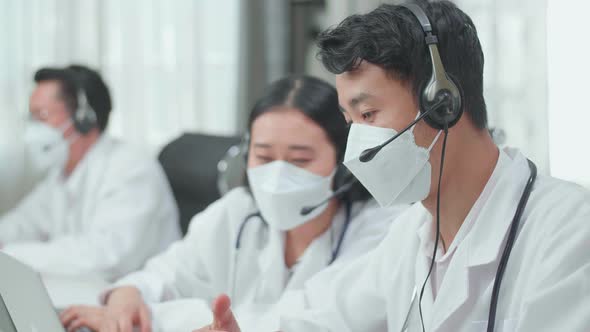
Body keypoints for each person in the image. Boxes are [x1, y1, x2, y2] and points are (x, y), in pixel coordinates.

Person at [195, 1, 590, 332]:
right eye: (350, 122)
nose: (356, 146)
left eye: (368, 114)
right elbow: (319, 311)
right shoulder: (411, 236)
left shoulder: (569, 230)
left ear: (443, 103)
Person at [59, 75, 408, 332]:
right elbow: (166, 273)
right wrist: (128, 294)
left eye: (300, 160)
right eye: (264, 155)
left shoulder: (381, 231)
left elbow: (307, 322)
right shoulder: (238, 211)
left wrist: (157, 320)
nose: (277, 175)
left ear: (343, 164)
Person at [0, 65, 180, 281]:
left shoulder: (131, 169)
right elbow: (26, 221)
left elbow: (105, 257)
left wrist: (10, 256)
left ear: (83, 118)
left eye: (42, 116)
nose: (33, 128)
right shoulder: (61, 174)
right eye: (32, 117)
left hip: (135, 302)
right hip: (85, 293)